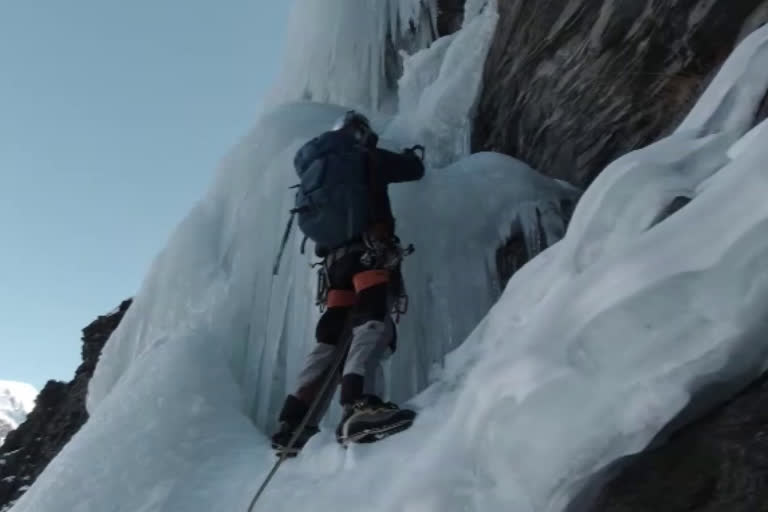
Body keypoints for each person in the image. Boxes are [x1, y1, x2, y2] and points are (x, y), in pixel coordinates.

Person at [271, 111, 425, 454]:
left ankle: (292, 425)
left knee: (330, 339)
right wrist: (412, 156)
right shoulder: (364, 157)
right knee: (372, 322)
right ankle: (360, 406)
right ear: (361, 135)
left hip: (334, 269)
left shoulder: (315, 171)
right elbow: (414, 170)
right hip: (369, 254)